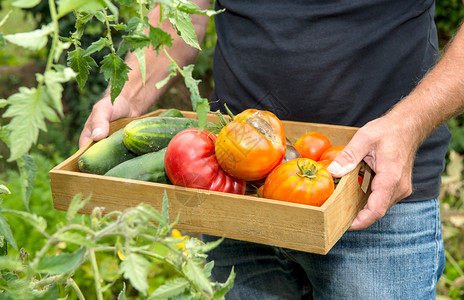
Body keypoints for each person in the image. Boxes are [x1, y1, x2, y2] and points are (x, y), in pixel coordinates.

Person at [80, 0, 464, 298]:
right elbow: (181, 13)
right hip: (233, 195)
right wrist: (129, 94)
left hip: (373, 191)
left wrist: (408, 124)